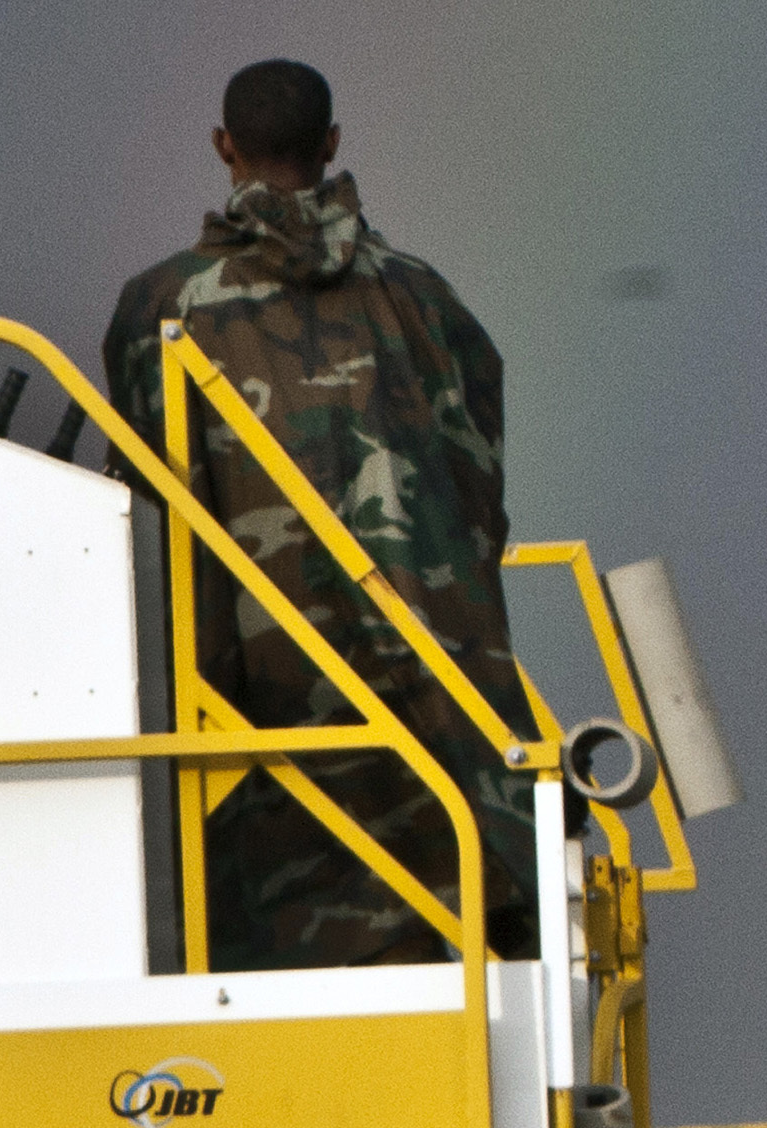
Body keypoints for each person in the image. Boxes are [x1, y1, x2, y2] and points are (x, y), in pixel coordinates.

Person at [100, 59, 528, 968]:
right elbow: (482, 504)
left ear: (224, 149)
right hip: (443, 717)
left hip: (263, 732)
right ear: (331, 145)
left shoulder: (162, 307)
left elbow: (141, 535)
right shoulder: (425, 299)